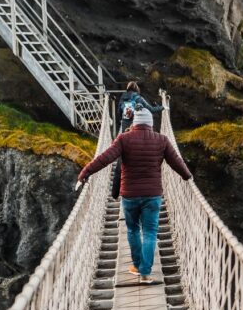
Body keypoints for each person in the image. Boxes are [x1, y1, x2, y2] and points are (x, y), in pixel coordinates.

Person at [77, 107, 192, 285]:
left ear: (134, 123)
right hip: (153, 195)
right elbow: (176, 161)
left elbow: (105, 158)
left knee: (132, 230)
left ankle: (138, 266)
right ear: (151, 124)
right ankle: (145, 272)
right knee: (150, 233)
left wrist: (85, 172)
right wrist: (187, 176)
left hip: (130, 195)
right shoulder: (162, 140)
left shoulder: (124, 139)